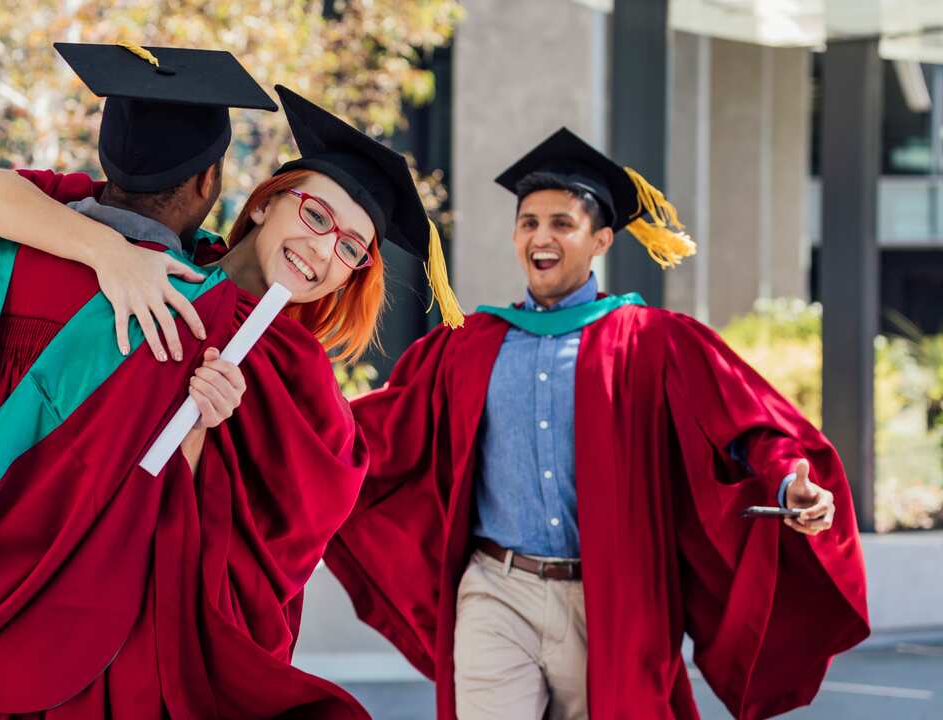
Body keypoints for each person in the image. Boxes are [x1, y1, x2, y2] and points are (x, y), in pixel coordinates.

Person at [0, 38, 461, 719]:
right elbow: (252, 546)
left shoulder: (2, 248)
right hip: (95, 639)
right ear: (241, 193)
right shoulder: (193, 309)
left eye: (351, 249)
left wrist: (201, 433)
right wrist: (112, 257)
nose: (325, 249)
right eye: (317, 215)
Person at [321, 128, 870, 720]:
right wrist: (287, 411)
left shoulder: (655, 342)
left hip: (614, 600)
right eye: (529, 222)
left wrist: (790, 482)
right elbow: (383, 428)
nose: (542, 236)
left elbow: (750, 426)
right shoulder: (468, 346)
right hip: (495, 590)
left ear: (601, 239)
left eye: (562, 223)